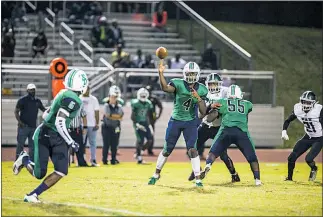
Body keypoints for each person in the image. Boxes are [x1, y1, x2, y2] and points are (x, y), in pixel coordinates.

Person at [12, 68, 89, 203]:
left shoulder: (64, 93)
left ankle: (33, 195)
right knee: (39, 174)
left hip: (55, 135)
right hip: (46, 134)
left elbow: (46, 114)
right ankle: (24, 159)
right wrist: (70, 141)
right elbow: (60, 121)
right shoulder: (73, 99)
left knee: (61, 170)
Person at [148, 61, 208, 187]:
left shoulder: (202, 89)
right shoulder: (178, 83)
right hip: (175, 120)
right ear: (184, 74)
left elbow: (203, 111)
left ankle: (198, 179)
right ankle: (156, 174)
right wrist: (161, 74)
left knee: (193, 150)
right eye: (189, 74)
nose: (191, 76)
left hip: (190, 122)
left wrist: (199, 98)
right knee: (167, 150)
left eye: (193, 74)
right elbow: (165, 88)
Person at [200, 84, 262, 186]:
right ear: (240, 94)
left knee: (213, 152)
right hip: (241, 132)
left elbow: (212, 117)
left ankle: (209, 164)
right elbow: (247, 111)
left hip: (226, 131)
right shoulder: (247, 104)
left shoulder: (223, 102)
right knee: (252, 157)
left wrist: (209, 116)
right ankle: (257, 180)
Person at [187, 73, 240, 182]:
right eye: (210, 84)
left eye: (215, 84)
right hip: (206, 125)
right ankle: (196, 169)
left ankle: (234, 173)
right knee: (191, 147)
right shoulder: (204, 93)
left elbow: (234, 101)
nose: (212, 86)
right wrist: (209, 108)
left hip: (219, 127)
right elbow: (200, 114)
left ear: (220, 84)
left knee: (223, 155)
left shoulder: (225, 92)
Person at [282, 91, 322, 181]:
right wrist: (284, 131)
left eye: (308, 102)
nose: (305, 104)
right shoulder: (298, 108)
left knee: (308, 159)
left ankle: (314, 168)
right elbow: (288, 120)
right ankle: (289, 178)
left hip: (319, 138)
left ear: (313, 103)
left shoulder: (319, 110)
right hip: (308, 136)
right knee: (291, 157)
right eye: (304, 101)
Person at [14, 84, 46, 161]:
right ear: (27, 90)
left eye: (33, 89)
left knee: (32, 146)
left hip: (33, 127)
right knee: (20, 145)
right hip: (23, 127)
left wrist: (52, 108)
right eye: (31, 89)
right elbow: (16, 111)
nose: (32, 91)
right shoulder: (22, 100)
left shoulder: (37, 101)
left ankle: (32, 161)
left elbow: (44, 110)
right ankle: (18, 161)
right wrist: (20, 122)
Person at [131, 88, 154, 164]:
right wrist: (136, 123)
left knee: (150, 140)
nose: (143, 96)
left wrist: (149, 124)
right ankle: (139, 158)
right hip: (138, 122)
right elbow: (132, 116)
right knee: (140, 140)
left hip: (145, 123)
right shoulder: (135, 103)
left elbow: (147, 115)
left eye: (144, 95)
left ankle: (139, 152)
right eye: (142, 95)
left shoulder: (148, 103)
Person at [101, 88, 124, 165]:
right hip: (106, 127)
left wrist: (112, 116)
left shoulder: (119, 106)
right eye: (112, 97)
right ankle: (104, 159)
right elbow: (107, 115)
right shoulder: (106, 105)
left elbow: (121, 117)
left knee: (115, 144)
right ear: (109, 97)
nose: (113, 99)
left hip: (116, 128)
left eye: (115, 97)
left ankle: (113, 159)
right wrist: (116, 116)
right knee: (106, 144)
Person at [80, 86, 100, 167]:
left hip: (92, 124)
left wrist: (97, 123)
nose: (87, 91)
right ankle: (82, 159)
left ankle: (93, 159)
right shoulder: (79, 98)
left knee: (93, 143)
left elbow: (97, 112)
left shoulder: (94, 99)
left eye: (88, 89)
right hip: (81, 124)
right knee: (82, 143)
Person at [145, 85, 163, 156]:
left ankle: (149, 149)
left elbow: (160, 106)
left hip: (151, 119)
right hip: (143, 118)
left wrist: (158, 116)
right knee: (141, 134)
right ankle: (140, 149)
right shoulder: (142, 98)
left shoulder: (154, 98)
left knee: (151, 135)